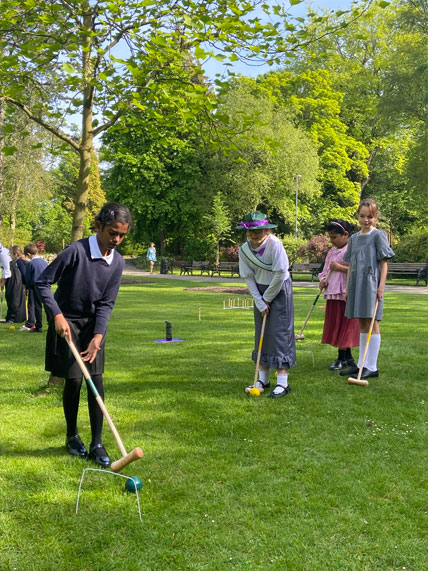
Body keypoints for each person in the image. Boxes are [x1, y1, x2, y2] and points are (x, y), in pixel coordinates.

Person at [36, 202, 131, 467]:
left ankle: (97, 442)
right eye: (113, 232)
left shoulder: (117, 261)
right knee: (75, 381)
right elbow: (43, 282)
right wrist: (56, 315)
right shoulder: (75, 251)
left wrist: (98, 335)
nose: (117, 240)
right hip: (67, 322)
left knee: (96, 382)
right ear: (99, 226)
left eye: (122, 235)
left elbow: (106, 303)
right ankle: (72, 436)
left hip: (92, 327)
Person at [237, 211, 296, 399]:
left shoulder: (275, 245)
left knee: (279, 333)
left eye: (260, 230)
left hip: (279, 290)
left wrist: (267, 299)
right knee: (261, 333)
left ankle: (282, 383)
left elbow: (280, 273)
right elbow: (248, 277)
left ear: (266, 230)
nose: (256, 234)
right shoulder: (244, 250)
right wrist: (258, 300)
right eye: (252, 231)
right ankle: (262, 379)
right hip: (260, 291)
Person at [340, 198, 395, 379]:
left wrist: (381, 287)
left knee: (373, 321)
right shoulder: (354, 238)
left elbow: (383, 263)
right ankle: (361, 364)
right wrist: (348, 287)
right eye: (362, 216)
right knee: (362, 322)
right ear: (357, 216)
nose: (366, 220)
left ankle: (372, 366)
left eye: (369, 216)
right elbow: (351, 264)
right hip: (356, 283)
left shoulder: (379, 235)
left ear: (375, 217)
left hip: (371, 284)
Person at [318, 220, 360, 371]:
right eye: (330, 237)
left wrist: (340, 267)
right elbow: (325, 270)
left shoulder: (352, 249)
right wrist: (322, 280)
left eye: (334, 237)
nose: (332, 240)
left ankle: (342, 358)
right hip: (333, 292)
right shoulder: (331, 251)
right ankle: (348, 358)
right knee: (336, 324)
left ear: (346, 235)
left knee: (345, 324)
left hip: (345, 292)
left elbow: (355, 270)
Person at [24, 243, 48, 333]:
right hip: (45, 285)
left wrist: (27, 288)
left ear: (29, 254)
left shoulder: (30, 264)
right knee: (47, 305)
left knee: (37, 306)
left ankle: (38, 326)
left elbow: (28, 278)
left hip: (35, 287)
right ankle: (51, 323)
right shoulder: (44, 262)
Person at [4, 245, 27, 325]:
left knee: (15, 300)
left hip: (17, 284)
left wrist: (25, 285)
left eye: (10, 253)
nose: (9, 255)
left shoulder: (20, 261)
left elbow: (24, 274)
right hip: (11, 283)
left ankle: (14, 318)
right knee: (10, 298)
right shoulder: (11, 262)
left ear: (16, 254)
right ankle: (9, 316)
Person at [0, 241, 12, 323]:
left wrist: (3, 282)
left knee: (9, 296)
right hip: (8, 275)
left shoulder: (3, 254)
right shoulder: (3, 252)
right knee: (8, 296)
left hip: (11, 277)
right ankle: (9, 316)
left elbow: (7, 269)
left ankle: (12, 318)